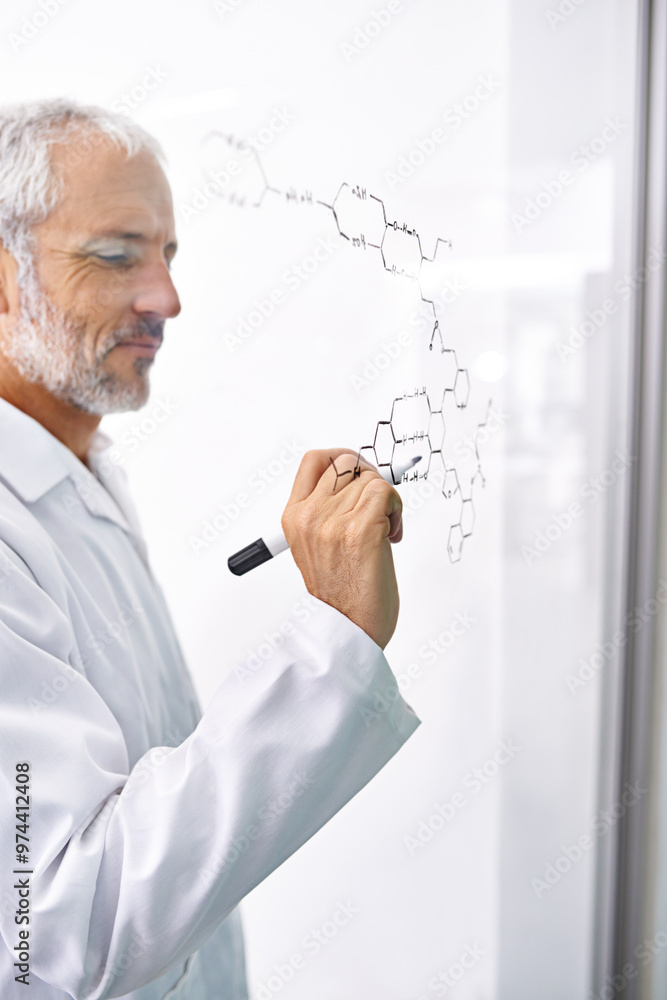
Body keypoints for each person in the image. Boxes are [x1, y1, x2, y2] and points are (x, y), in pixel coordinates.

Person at [0, 98, 420, 1000]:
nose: (167, 299)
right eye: (116, 255)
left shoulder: (80, 477)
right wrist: (332, 640)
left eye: (167, 255)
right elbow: (61, 929)